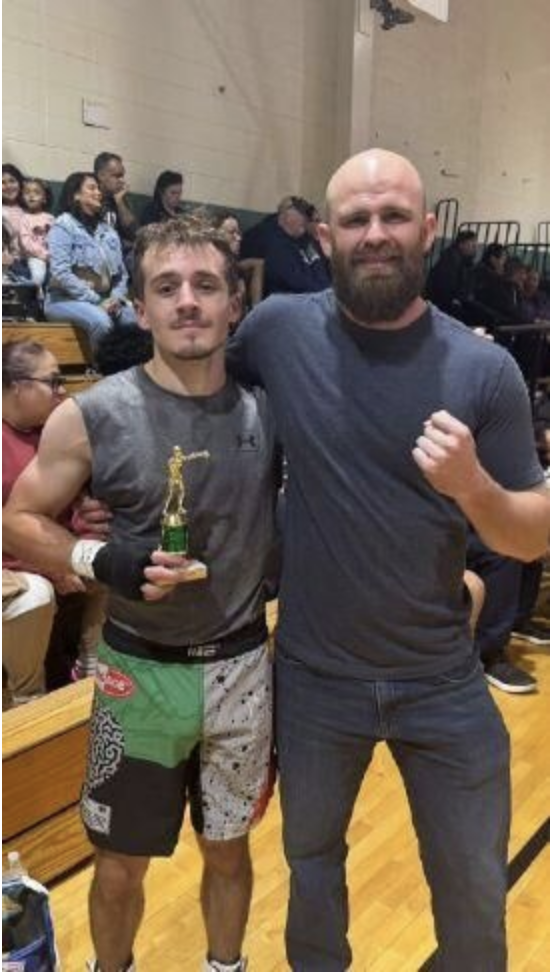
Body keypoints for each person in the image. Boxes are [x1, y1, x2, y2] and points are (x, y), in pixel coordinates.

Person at [227, 148, 550, 972]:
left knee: (474, 888)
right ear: (327, 234)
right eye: (358, 220)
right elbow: (190, 396)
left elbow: (532, 534)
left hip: (440, 678)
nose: (377, 235)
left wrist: (474, 485)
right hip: (312, 677)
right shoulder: (276, 331)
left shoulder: (485, 368)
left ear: (428, 230)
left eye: (394, 217)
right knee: (311, 870)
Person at [3, 219, 279, 973]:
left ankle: (226, 967)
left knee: (229, 852)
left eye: (205, 285)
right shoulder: (89, 415)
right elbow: (19, 518)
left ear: (233, 306)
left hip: (242, 671)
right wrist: (101, 559)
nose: (187, 302)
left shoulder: (271, 410)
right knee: (119, 865)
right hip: (137, 677)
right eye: (167, 287)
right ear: (142, 307)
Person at [2, 340, 106, 705]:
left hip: (48, 557)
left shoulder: (53, 435)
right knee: (34, 595)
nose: (62, 391)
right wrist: (54, 564)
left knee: (113, 561)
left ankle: (93, 676)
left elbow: (76, 509)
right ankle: (25, 698)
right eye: (53, 381)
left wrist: (89, 526)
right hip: (13, 568)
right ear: (18, 385)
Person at [44, 172, 137, 353]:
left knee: (135, 319)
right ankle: (100, 373)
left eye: (98, 189)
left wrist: (115, 298)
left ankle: (130, 372)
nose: (98, 193)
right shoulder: (64, 225)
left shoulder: (108, 231)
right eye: (91, 188)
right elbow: (60, 273)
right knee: (101, 322)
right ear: (76, 195)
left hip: (105, 300)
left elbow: (122, 276)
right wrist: (96, 300)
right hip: (63, 299)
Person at [213, 212, 264, 314]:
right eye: (232, 233)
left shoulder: (234, 268)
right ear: (216, 235)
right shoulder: (212, 270)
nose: (239, 238)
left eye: (238, 233)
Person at [425, 229, 477, 318]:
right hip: (440, 303)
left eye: (475, 245)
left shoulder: (465, 261)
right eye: (472, 245)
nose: (474, 248)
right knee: (474, 315)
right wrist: (457, 300)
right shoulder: (451, 260)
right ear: (461, 245)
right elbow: (445, 289)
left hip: (451, 301)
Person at [93, 152, 139, 247]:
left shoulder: (120, 197)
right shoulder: (91, 198)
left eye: (122, 176)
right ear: (101, 175)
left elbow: (134, 233)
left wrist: (119, 202)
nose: (122, 181)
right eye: (117, 176)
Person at [19, 177, 55, 288]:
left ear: (44, 198)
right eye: (27, 192)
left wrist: (53, 254)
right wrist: (43, 255)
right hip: (34, 256)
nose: (31, 195)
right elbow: (26, 242)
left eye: (37, 192)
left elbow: (56, 238)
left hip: (52, 254)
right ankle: (34, 294)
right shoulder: (24, 218)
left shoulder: (50, 218)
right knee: (38, 275)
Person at [2, 163, 26, 256]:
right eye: (2, 182)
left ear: (20, 183)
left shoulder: (29, 209)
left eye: (12, 181)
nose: (8, 186)